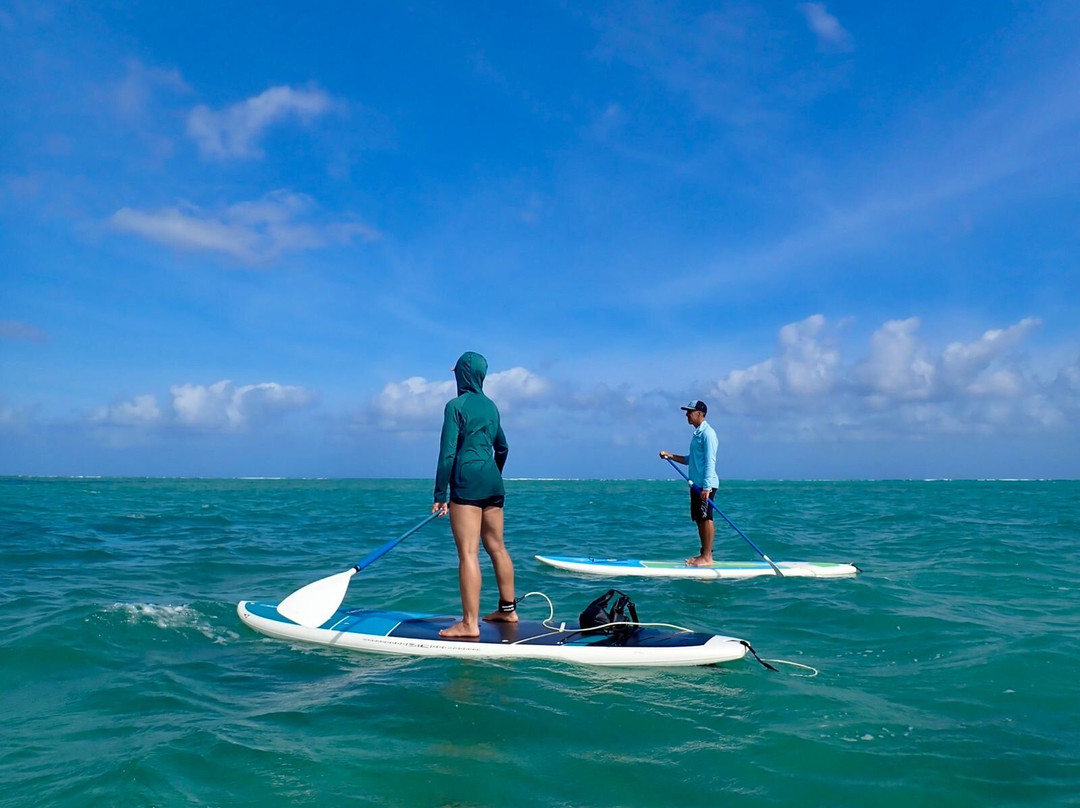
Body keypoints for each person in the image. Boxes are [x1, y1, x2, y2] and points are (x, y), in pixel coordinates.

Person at [431, 351, 516, 638]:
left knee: (468, 552)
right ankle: (508, 611)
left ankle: (469, 624)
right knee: (497, 547)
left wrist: (440, 494)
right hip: (493, 481)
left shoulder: (456, 405)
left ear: (462, 375)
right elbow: (502, 447)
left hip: (466, 481)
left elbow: (447, 454)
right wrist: (493, 476)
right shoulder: (492, 407)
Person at [659, 400, 719, 567]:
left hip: (706, 485)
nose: (687, 415)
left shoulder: (708, 434)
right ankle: (704, 554)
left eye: (690, 412)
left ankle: (707, 557)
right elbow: (689, 460)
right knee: (699, 519)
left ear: (700, 414)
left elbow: (710, 462)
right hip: (696, 485)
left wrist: (706, 487)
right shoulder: (697, 434)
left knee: (706, 518)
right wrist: (670, 456)